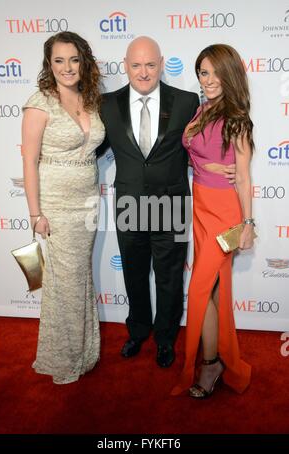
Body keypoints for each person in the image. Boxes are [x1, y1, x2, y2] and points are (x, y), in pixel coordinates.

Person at [99, 36, 235, 368]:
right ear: (125, 66)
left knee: (169, 276)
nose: (143, 73)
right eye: (136, 65)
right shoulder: (107, 104)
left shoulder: (188, 101)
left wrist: (217, 167)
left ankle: (165, 338)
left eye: (150, 64)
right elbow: (92, 148)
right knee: (133, 273)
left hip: (172, 205)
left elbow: (204, 142)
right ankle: (138, 330)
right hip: (129, 205)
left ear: (161, 64)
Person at [172, 44, 255, 398]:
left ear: (230, 74)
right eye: (203, 72)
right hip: (201, 207)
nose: (208, 80)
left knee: (200, 290)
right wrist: (202, 166)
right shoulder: (201, 110)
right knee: (214, 291)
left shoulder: (237, 118)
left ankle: (210, 364)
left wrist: (248, 224)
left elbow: (244, 178)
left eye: (215, 72)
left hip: (225, 213)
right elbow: (196, 154)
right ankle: (217, 359)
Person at [22, 31, 105, 384]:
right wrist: (35, 214)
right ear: (49, 64)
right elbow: (29, 162)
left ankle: (85, 351)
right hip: (55, 205)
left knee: (77, 279)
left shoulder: (90, 99)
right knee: (64, 283)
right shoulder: (40, 102)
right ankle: (67, 359)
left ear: (83, 61)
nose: (67, 67)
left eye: (73, 59)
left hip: (87, 202)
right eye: (59, 60)